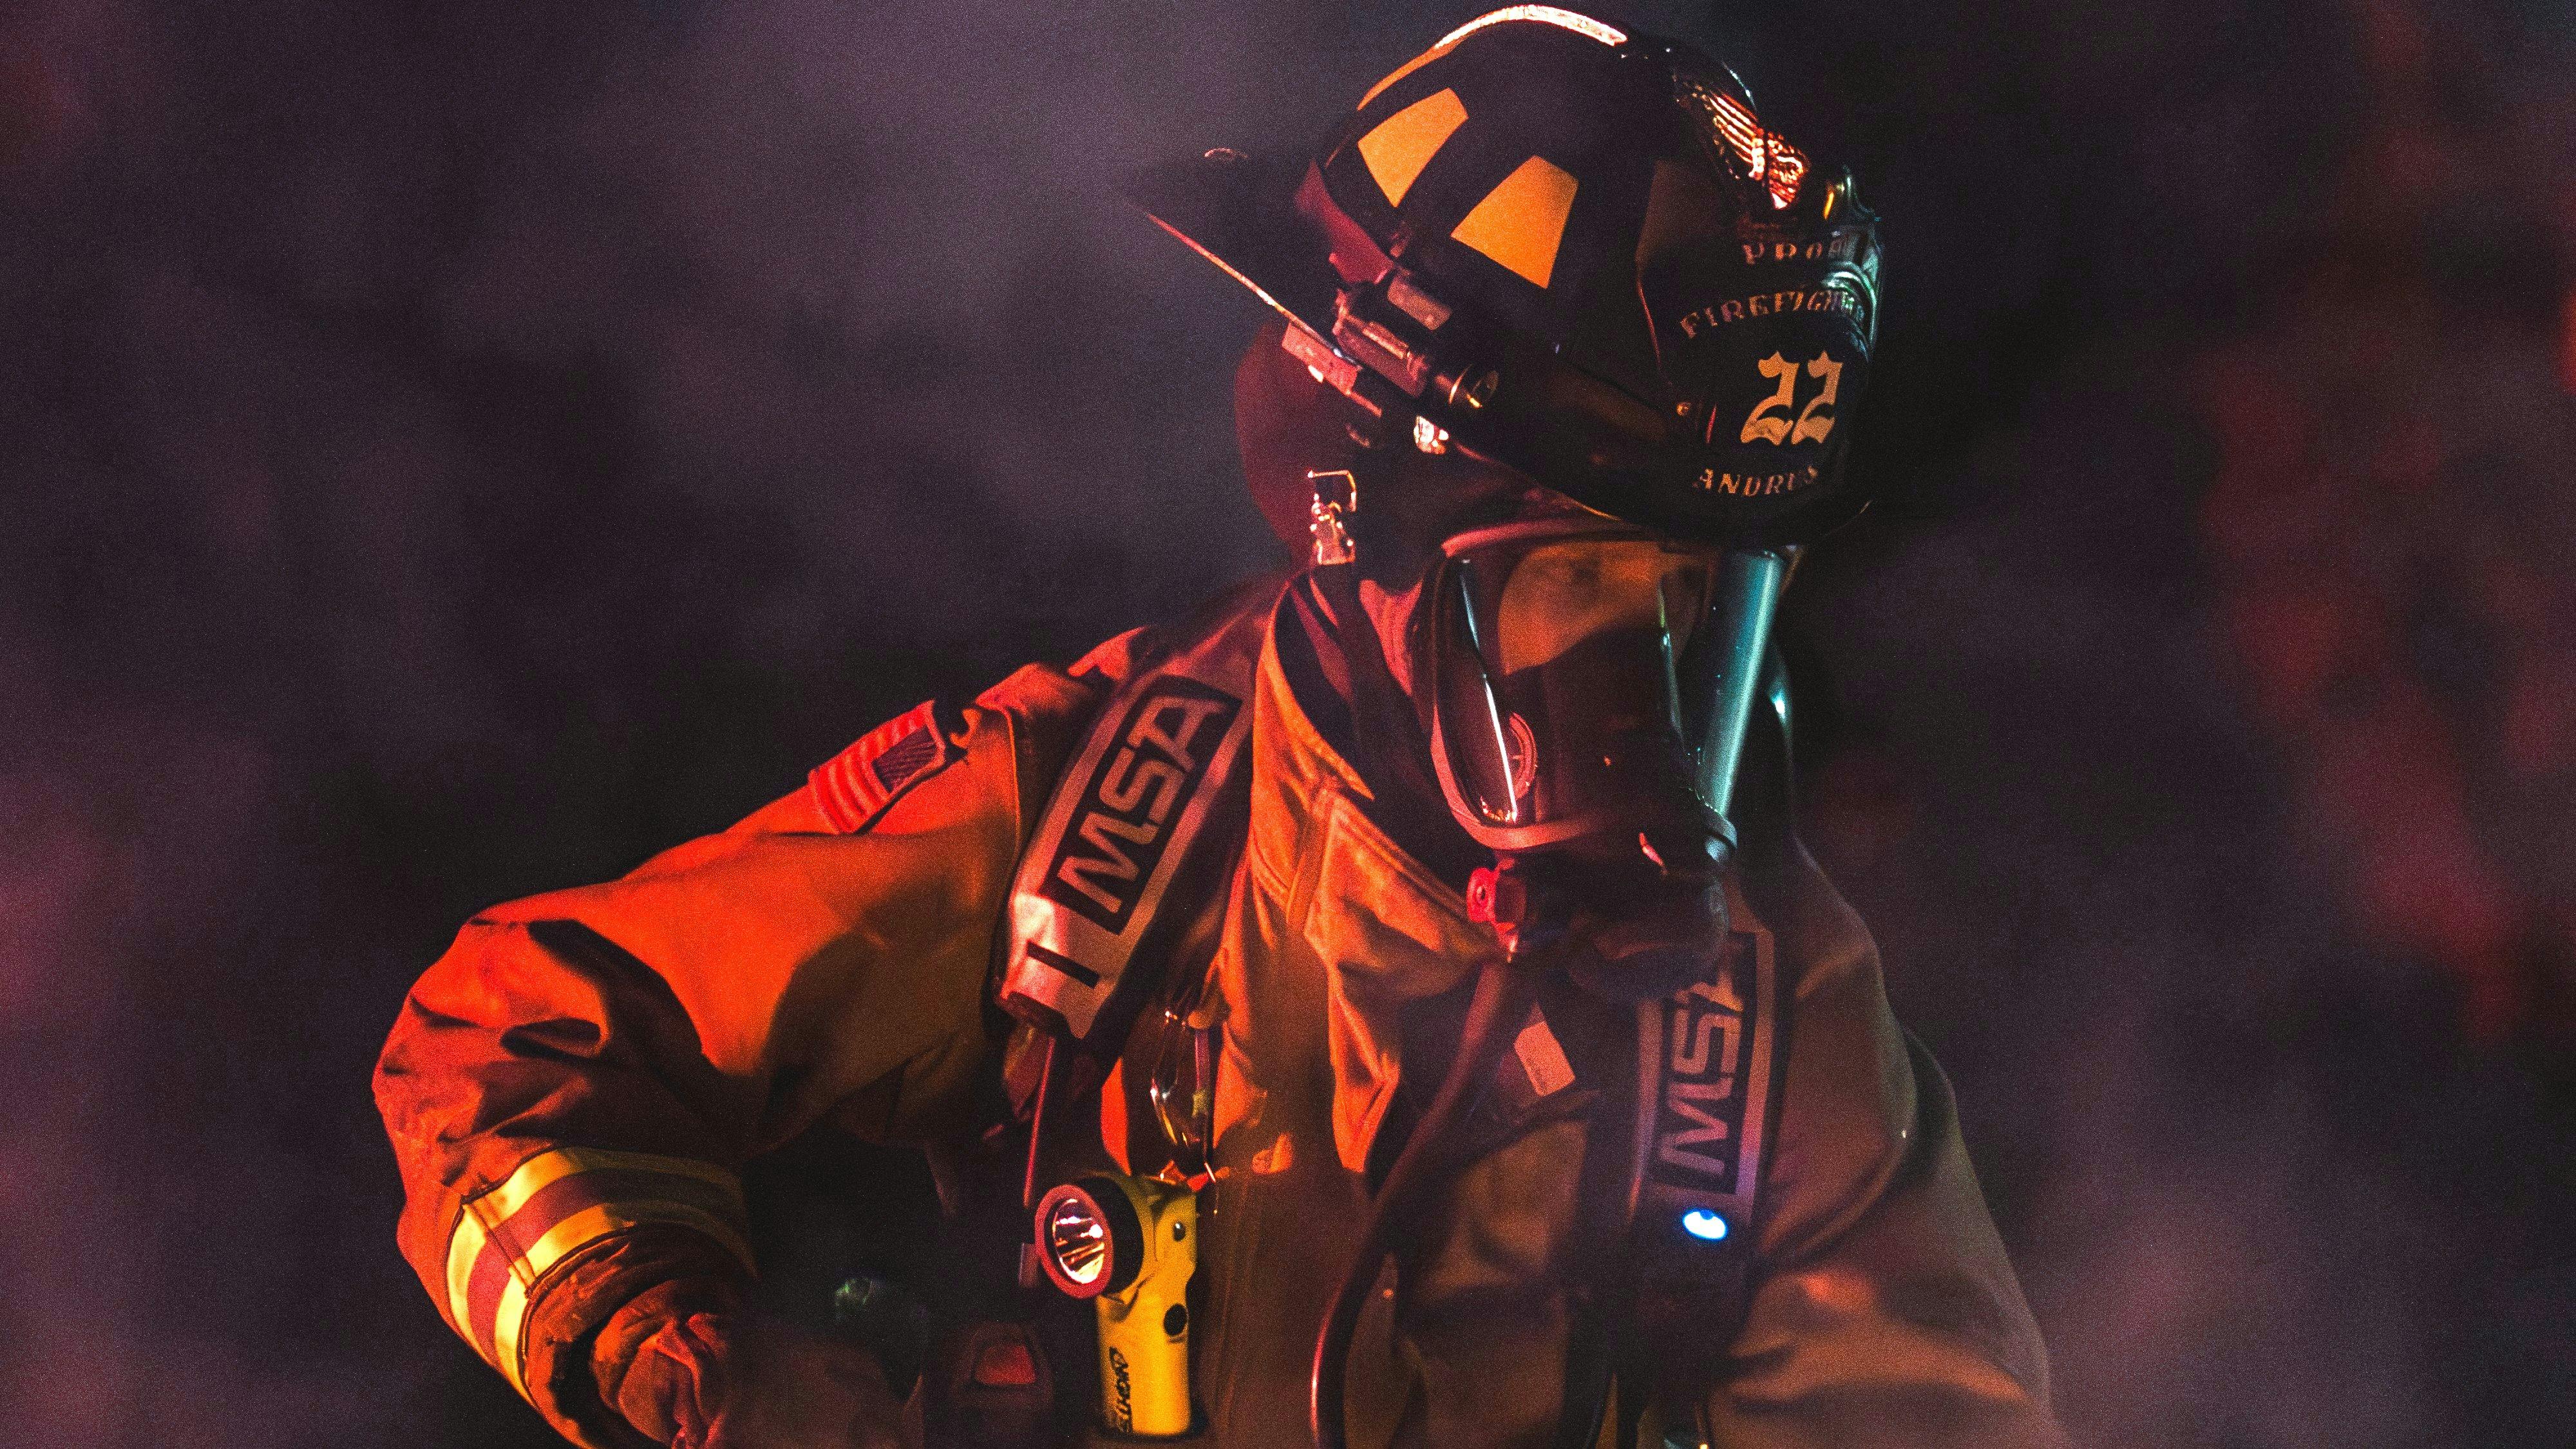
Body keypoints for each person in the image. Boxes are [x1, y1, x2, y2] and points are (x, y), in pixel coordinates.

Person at [374, 10, 2063, 1448]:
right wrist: (694, 1361)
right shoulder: (1097, 822)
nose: (1658, 691)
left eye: (1704, 601)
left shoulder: (1773, 1023)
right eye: (1584, 587)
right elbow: (504, 1042)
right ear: (1361, 523)